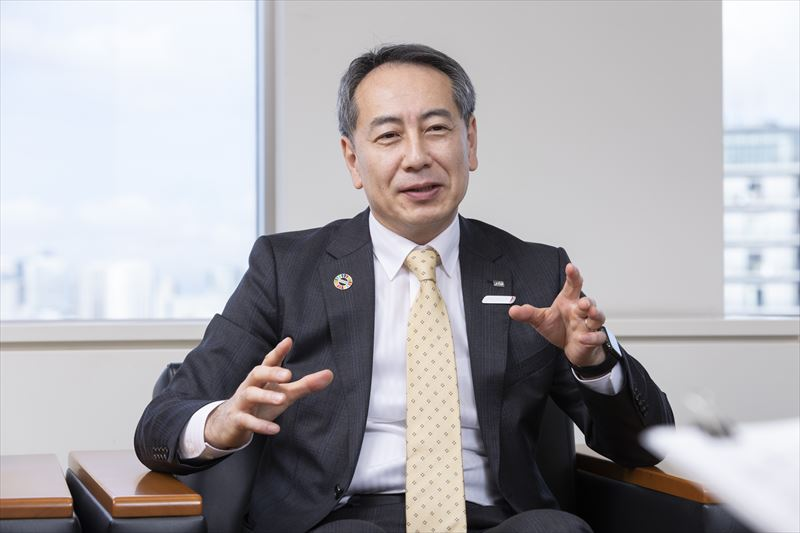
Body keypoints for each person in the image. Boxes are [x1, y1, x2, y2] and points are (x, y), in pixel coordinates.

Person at [135, 44, 674, 533]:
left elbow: (643, 446)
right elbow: (159, 423)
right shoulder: (287, 269)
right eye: (389, 136)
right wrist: (221, 423)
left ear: (470, 141)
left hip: (497, 520)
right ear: (353, 159)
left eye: (436, 129)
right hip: (340, 520)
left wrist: (594, 362)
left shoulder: (536, 271)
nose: (416, 156)